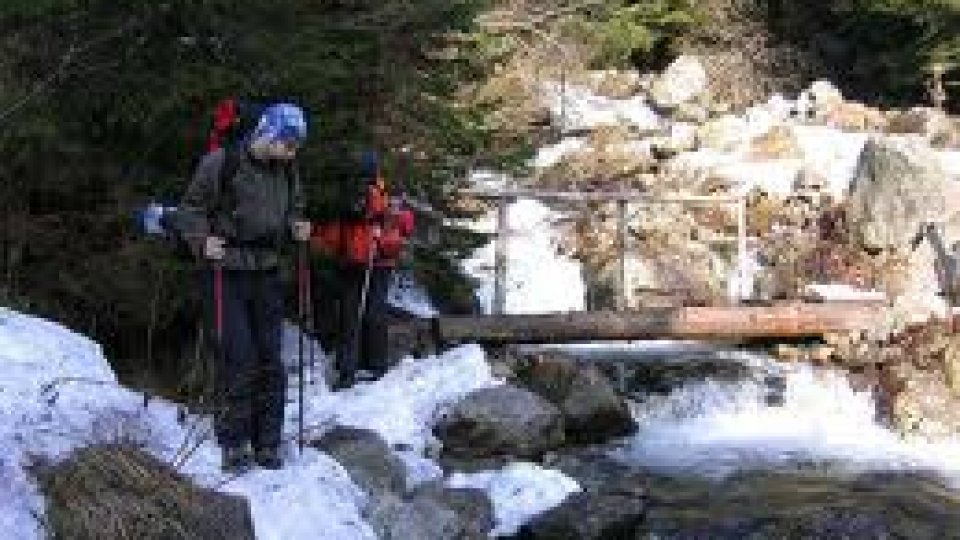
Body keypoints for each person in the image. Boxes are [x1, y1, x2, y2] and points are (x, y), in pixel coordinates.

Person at [174, 103, 310, 472]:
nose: (291, 152)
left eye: (295, 146)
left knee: (270, 358)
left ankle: (267, 442)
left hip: (266, 270)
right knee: (238, 356)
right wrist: (202, 241)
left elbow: (294, 207)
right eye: (287, 143)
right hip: (225, 271)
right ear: (267, 133)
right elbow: (190, 210)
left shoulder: (288, 170)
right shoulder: (222, 163)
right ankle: (233, 442)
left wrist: (298, 225)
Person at [311, 150, 413, 390]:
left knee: (364, 314)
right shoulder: (355, 192)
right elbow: (343, 223)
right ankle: (357, 368)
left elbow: (400, 225)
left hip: (373, 259)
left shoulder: (381, 195)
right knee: (356, 314)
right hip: (356, 259)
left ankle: (365, 367)